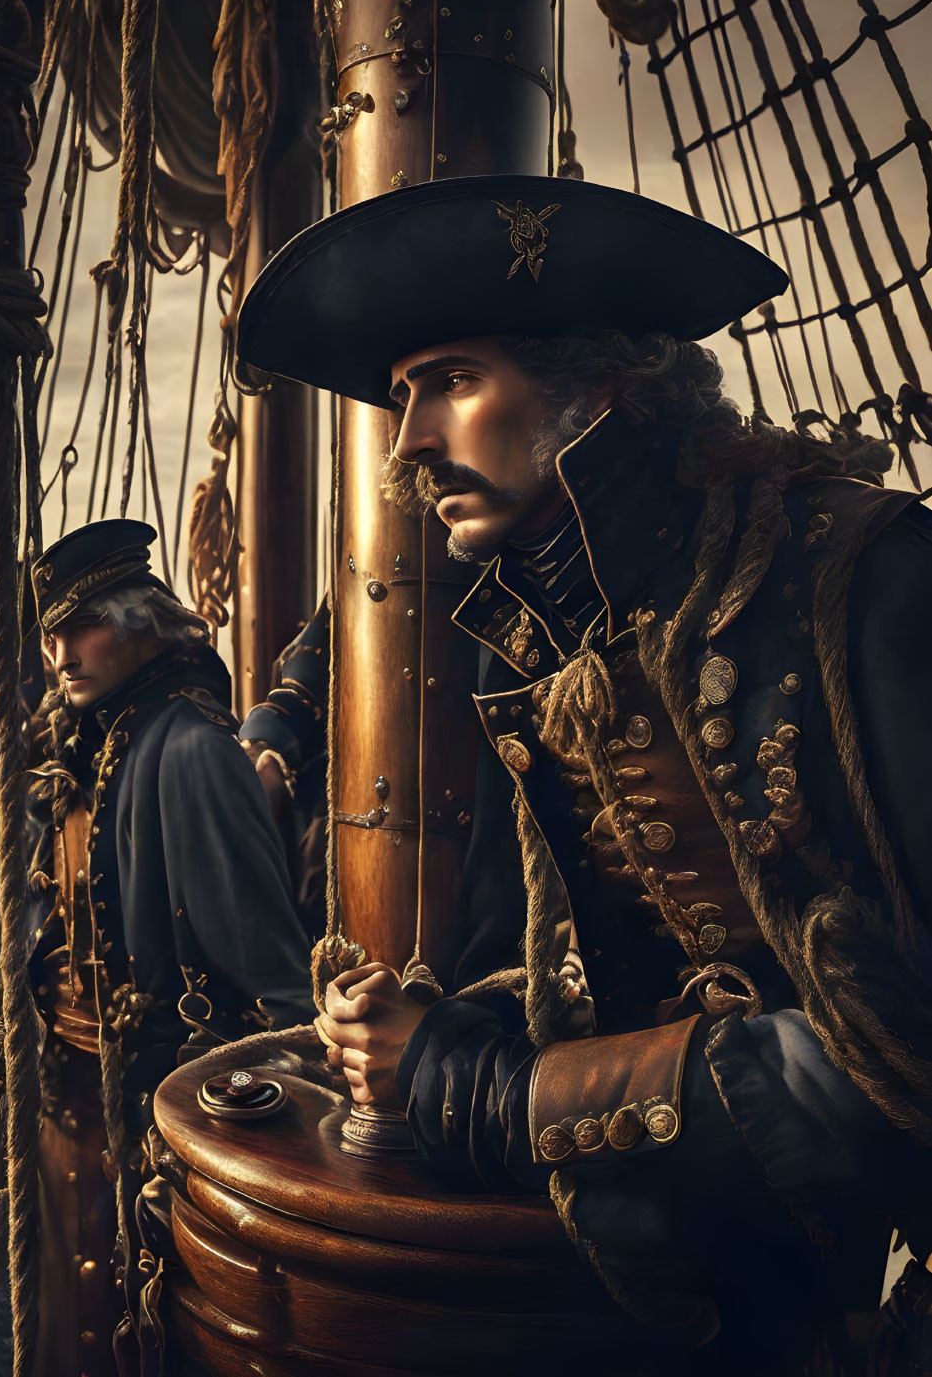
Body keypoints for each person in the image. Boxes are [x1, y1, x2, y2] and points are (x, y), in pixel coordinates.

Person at [235, 174, 932, 1373]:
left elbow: (900, 1065)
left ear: (603, 389)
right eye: (404, 397)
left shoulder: (870, 583)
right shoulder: (581, 627)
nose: (407, 441)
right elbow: (650, 961)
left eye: (452, 381)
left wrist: (477, 1084)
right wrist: (464, 1017)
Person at [21, 517, 314, 1377]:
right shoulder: (98, 736)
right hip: (78, 1085)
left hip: (153, 1104)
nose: (62, 654)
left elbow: (271, 968)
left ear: (142, 621)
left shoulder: (189, 750)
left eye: (84, 626)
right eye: (52, 635)